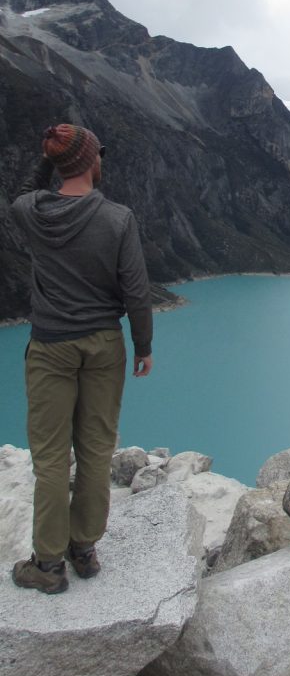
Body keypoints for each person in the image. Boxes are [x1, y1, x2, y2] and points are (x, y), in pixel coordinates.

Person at [10, 123, 153, 594]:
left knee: (51, 459)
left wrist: (50, 156)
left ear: (56, 166)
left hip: (50, 346)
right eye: (98, 154)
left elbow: (25, 191)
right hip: (103, 347)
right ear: (92, 161)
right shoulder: (118, 218)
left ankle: (48, 565)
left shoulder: (32, 211)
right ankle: (85, 550)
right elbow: (135, 291)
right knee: (95, 450)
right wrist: (144, 346)